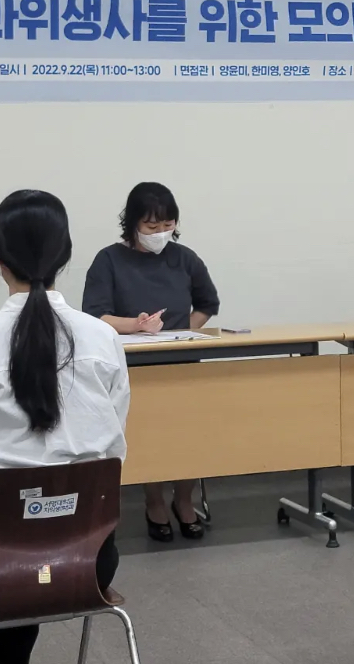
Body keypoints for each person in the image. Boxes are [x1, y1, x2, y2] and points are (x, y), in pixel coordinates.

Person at [0, 190, 129, 664]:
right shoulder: (104, 340)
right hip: (85, 561)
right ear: (66, 256)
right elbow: (112, 451)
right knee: (27, 557)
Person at [82, 181, 219, 542]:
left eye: (167, 225)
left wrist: (182, 331)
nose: (160, 233)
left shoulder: (185, 258)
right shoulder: (109, 260)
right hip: (135, 368)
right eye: (151, 226)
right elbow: (94, 315)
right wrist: (136, 327)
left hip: (182, 363)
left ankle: (184, 500)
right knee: (150, 435)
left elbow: (208, 303)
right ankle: (154, 501)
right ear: (132, 224)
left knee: (188, 434)